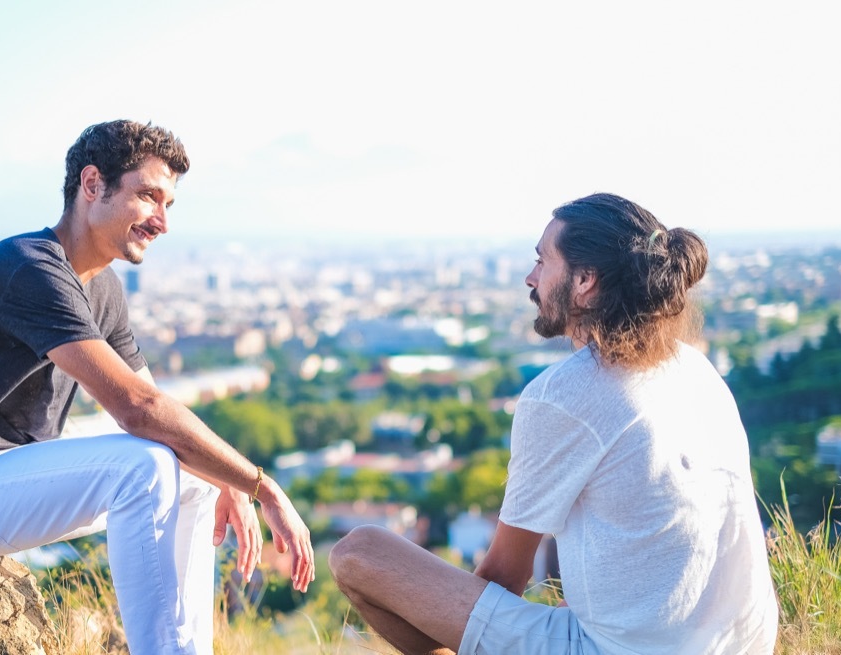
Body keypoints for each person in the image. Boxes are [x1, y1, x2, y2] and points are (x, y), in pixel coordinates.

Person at [0, 120, 315, 655]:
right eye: (148, 196)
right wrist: (260, 486)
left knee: (196, 477)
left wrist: (224, 477)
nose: (162, 221)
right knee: (148, 465)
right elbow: (138, 409)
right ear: (93, 185)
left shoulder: (102, 286)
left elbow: (161, 408)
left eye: (169, 204)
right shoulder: (29, 267)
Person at [329, 193, 778, 654]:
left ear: (585, 281)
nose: (531, 277)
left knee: (358, 553)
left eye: (543, 261)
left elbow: (506, 576)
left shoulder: (564, 395)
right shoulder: (695, 368)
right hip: (745, 644)